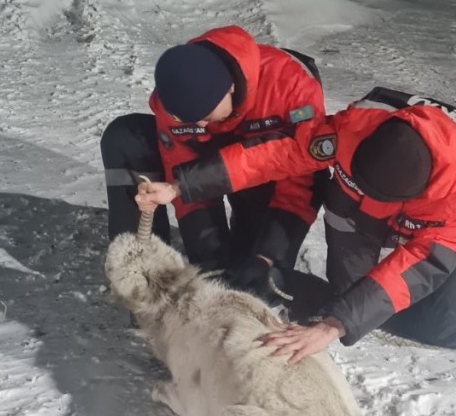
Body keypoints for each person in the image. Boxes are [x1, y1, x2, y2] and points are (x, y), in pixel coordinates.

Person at [138, 87, 456, 362]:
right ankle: (320, 287)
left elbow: (419, 263)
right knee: (347, 294)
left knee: (443, 329)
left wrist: (335, 327)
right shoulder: (354, 128)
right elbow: (274, 156)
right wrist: (181, 185)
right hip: (358, 205)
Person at [100, 25, 326, 296]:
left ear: (230, 88)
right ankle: (143, 286)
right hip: (205, 174)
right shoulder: (176, 100)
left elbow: (300, 184)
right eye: (187, 120)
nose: (197, 124)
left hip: (268, 177)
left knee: (256, 281)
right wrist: (210, 262)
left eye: (205, 115)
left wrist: (268, 257)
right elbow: (184, 176)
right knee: (125, 137)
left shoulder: (291, 88)